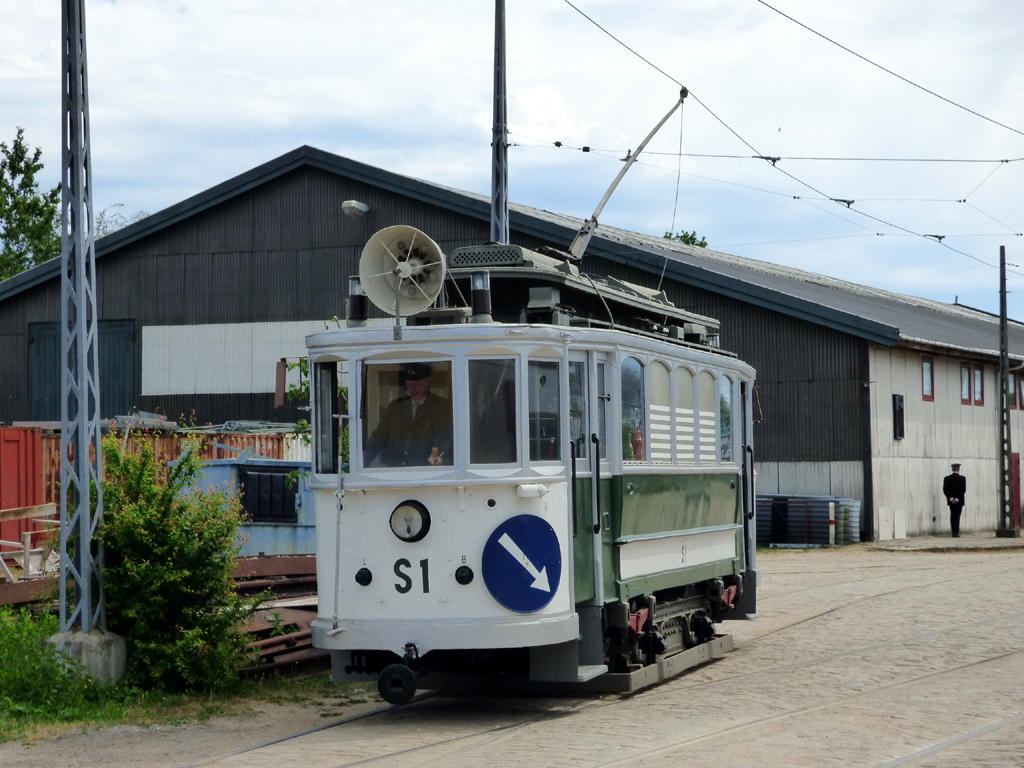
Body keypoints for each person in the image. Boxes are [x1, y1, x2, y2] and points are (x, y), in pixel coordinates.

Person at [364, 363, 453, 467]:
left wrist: (437, 456)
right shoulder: (395, 407)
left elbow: (443, 437)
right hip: (396, 470)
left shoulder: (441, 407)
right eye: (409, 384)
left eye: (416, 385)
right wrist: (363, 461)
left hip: (425, 470)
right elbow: (378, 437)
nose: (412, 389)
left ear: (428, 381)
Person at [942, 463, 966, 538]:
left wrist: (951, 498)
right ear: (958, 469)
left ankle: (953, 532)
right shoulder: (962, 478)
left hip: (951, 501)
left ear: (952, 469)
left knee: (952, 516)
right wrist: (957, 499)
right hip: (959, 501)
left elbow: (945, 490)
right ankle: (956, 532)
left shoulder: (947, 478)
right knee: (957, 516)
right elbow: (963, 490)